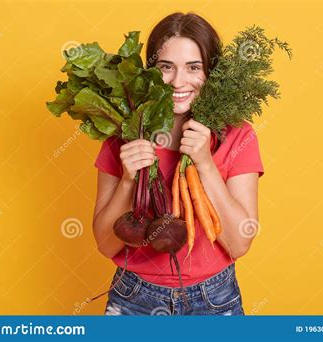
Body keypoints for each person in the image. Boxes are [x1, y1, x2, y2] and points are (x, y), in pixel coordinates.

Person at [92, 12, 264, 315]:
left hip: (215, 299)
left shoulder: (239, 135)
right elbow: (106, 244)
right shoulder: (123, 134)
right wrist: (128, 180)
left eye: (193, 67)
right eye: (165, 67)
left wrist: (205, 164)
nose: (178, 81)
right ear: (149, 72)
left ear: (211, 73)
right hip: (133, 297)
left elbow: (239, 244)